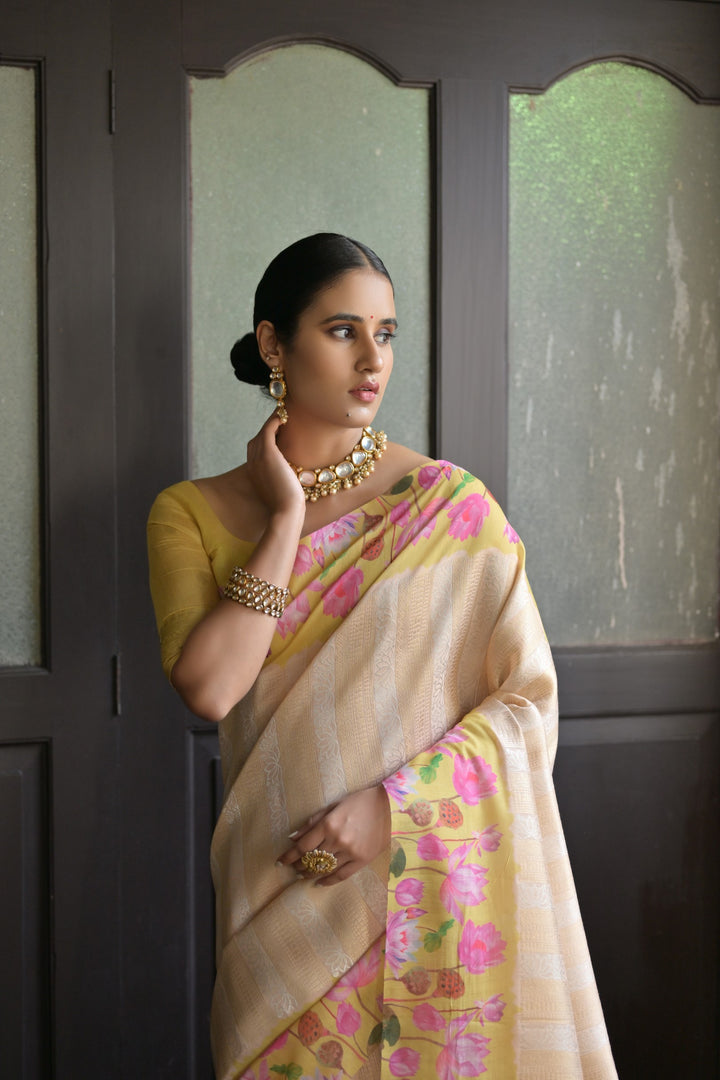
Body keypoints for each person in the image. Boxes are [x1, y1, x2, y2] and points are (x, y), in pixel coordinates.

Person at [147, 234, 616, 1080]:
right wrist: (286, 517)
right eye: (342, 331)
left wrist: (395, 810)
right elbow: (212, 689)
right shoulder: (191, 511)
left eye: (387, 333)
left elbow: (525, 706)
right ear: (271, 345)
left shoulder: (448, 508)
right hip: (277, 894)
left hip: (421, 881)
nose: (373, 359)